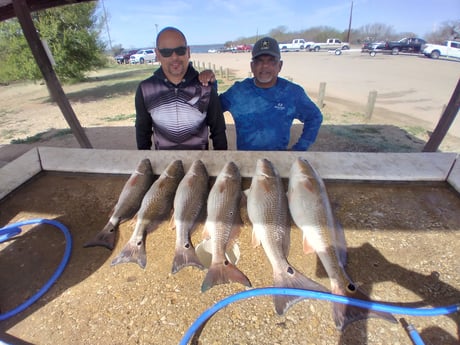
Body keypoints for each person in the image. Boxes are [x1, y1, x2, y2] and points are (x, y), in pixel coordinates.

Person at [200, 36, 322, 151]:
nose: (265, 66)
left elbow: (315, 117)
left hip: (277, 160)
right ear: (252, 66)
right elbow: (213, 110)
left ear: (280, 66)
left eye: (271, 61)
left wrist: (300, 148)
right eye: (259, 61)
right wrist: (211, 84)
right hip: (246, 160)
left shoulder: (293, 93)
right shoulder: (238, 92)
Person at [135, 27, 227, 150]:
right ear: (157, 54)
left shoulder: (206, 88)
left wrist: (220, 164)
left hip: (199, 165)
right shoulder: (145, 89)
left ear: (188, 52)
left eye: (180, 50)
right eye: (167, 52)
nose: (174, 57)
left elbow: (218, 131)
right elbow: (142, 132)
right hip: (163, 165)